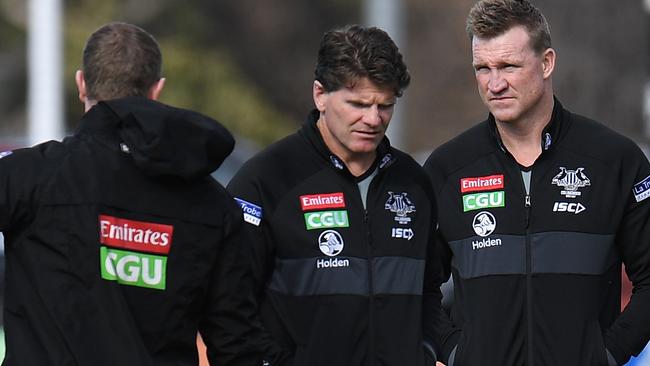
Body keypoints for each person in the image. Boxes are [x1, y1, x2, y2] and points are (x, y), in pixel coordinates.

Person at [0, 22, 261, 365]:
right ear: (156, 89)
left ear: (82, 84)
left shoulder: (28, 176)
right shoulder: (214, 205)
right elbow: (236, 344)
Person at [423, 0, 650, 365]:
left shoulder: (616, 162)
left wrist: (608, 354)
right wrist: (452, 351)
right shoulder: (448, 169)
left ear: (546, 63)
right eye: (483, 68)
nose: (495, 83)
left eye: (509, 66)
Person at [227, 24, 444, 365]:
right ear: (320, 95)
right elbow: (229, 309)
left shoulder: (414, 184)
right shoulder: (264, 182)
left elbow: (430, 291)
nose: (373, 119)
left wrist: (427, 350)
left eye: (385, 105)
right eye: (357, 104)